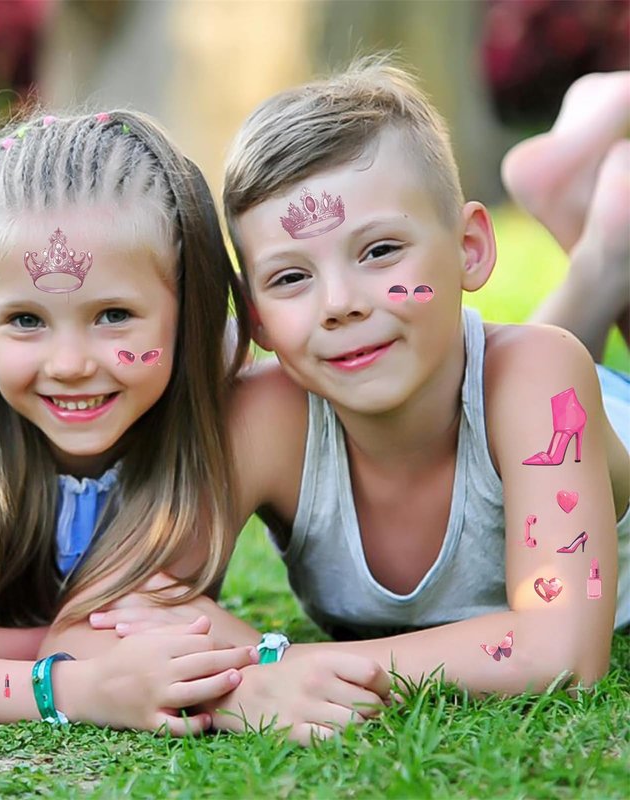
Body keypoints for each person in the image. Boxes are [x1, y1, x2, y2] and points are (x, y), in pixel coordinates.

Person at [82, 61, 629, 739]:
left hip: (579, 412)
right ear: (255, 317)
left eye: (380, 251)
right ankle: (604, 240)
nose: (339, 303)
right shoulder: (267, 416)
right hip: (492, 386)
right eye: (290, 277)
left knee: (544, 363)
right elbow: (101, 611)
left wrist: (280, 662)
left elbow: (563, 653)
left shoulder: (540, 378)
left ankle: (607, 251)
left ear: (468, 249)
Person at [0, 109, 264, 731]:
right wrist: (71, 683)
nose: (68, 365)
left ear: (189, 312)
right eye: (26, 320)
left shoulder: (226, 407)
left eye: (113, 315)